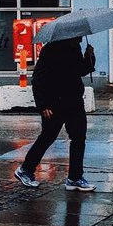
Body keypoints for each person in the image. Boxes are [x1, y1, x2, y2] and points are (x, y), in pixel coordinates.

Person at [14, 36, 97, 190]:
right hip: (54, 103)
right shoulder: (51, 50)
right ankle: (25, 169)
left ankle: (74, 178)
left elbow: (80, 71)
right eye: (78, 37)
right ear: (70, 35)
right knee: (48, 136)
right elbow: (38, 79)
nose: (80, 40)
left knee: (78, 137)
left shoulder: (75, 49)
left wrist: (89, 57)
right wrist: (43, 105)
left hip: (74, 101)